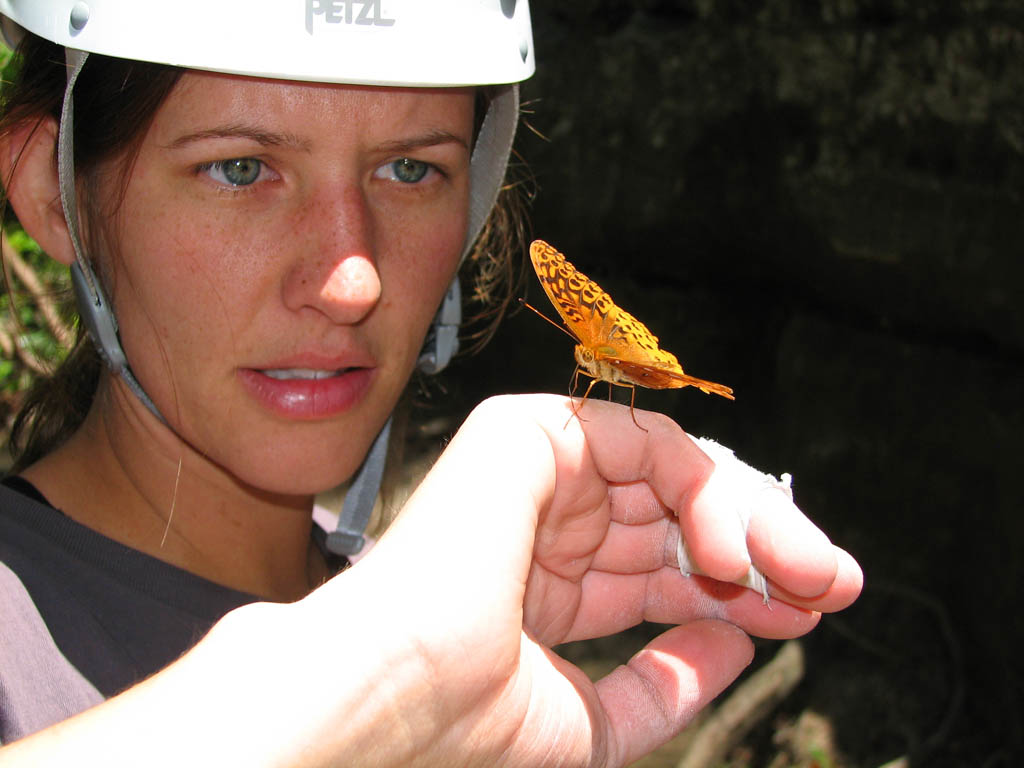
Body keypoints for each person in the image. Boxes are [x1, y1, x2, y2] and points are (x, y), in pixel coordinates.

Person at [0, 1, 862, 765]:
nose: (352, 284)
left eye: (411, 170)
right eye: (239, 168)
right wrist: (378, 693)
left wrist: (417, 687)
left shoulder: (474, 647)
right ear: (50, 187)